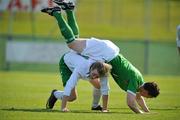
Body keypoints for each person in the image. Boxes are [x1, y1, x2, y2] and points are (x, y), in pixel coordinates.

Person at [41, 0, 160, 114]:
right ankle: (57, 13)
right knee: (72, 43)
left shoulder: (138, 81)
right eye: (148, 96)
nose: (147, 98)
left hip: (108, 52)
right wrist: (141, 114)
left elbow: (135, 97)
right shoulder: (134, 80)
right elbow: (131, 103)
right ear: (146, 91)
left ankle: (69, 10)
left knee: (76, 42)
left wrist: (147, 111)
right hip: (104, 53)